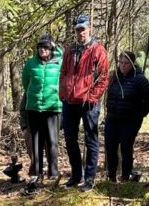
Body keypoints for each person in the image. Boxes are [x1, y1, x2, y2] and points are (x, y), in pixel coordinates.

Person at [59, 14, 109, 192]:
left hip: (88, 102)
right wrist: (63, 93)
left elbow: (103, 77)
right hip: (70, 101)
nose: (80, 32)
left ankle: (89, 179)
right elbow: (63, 72)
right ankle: (75, 175)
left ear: (89, 28)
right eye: (77, 29)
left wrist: (93, 97)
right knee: (70, 139)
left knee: (91, 139)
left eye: (83, 29)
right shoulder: (69, 50)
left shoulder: (98, 50)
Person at [22, 34, 63, 194]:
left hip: (53, 107)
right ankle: (36, 172)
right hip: (33, 108)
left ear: (51, 48)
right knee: (36, 141)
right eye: (40, 47)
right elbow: (26, 82)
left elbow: (64, 81)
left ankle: (53, 172)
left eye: (46, 47)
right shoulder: (31, 63)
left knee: (52, 142)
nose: (42, 50)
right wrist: (33, 95)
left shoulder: (60, 63)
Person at [104, 51, 149, 182]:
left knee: (126, 146)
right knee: (110, 147)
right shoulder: (114, 77)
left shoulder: (140, 79)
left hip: (130, 121)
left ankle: (125, 176)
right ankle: (112, 176)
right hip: (112, 118)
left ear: (132, 64)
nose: (123, 65)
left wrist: (139, 116)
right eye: (121, 63)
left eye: (126, 63)